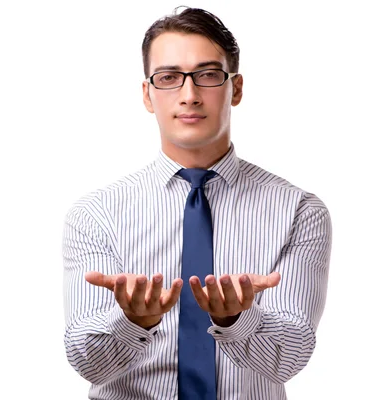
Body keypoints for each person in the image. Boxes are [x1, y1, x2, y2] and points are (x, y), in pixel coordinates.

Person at [63, 7, 332, 399]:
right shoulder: (96, 216)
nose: (189, 95)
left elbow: (287, 361)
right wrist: (132, 321)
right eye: (169, 78)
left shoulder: (298, 211)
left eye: (207, 75)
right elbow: (89, 364)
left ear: (235, 88)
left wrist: (237, 318)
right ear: (147, 94)